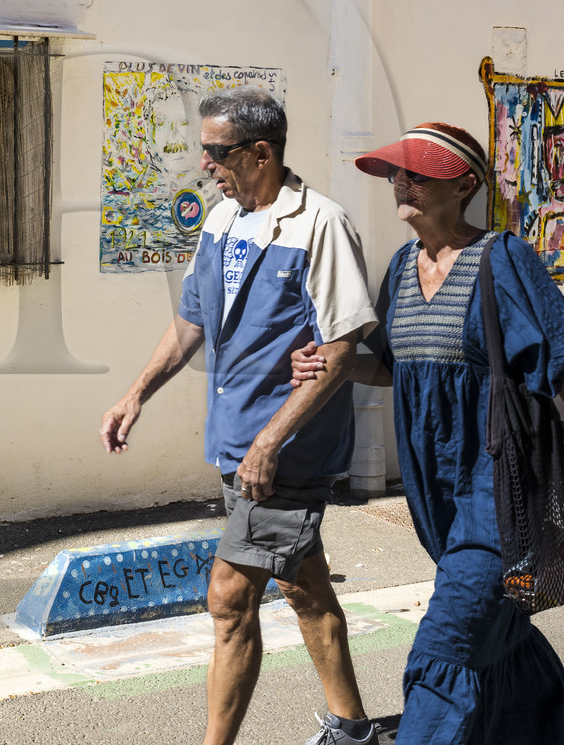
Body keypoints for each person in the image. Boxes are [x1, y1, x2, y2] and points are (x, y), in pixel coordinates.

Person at [291, 122, 564, 745]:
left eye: (419, 173)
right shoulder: (402, 268)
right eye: (398, 172)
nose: (402, 182)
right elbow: (396, 367)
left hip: (499, 485)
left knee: (447, 643)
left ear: (464, 185)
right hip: (435, 488)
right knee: (493, 625)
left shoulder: (503, 259)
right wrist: (332, 365)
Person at [101, 85, 382, 745]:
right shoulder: (221, 221)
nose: (206, 164)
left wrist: (270, 440)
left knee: (229, 598)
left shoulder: (320, 225)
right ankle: (352, 728)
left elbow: (343, 349)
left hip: (284, 454)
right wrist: (137, 392)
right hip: (236, 444)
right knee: (304, 586)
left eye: (217, 151)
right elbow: (192, 321)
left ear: (261, 152)